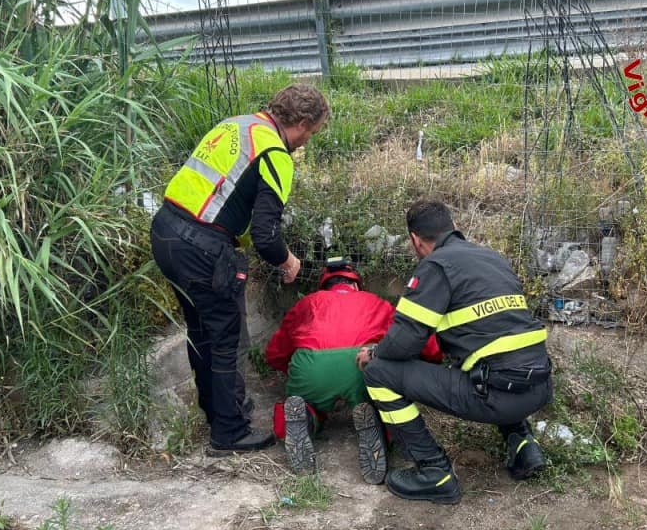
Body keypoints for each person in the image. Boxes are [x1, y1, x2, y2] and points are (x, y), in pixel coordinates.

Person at [151, 84, 329, 452]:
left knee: (201, 332)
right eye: (310, 133)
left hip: (166, 231)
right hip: (203, 247)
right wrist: (288, 260)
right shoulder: (276, 154)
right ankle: (229, 432)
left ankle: (219, 412)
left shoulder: (236, 126)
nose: (307, 142)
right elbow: (266, 235)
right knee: (227, 339)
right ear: (301, 122)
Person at [356, 199, 551, 504]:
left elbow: (403, 343)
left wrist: (375, 352)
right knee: (485, 355)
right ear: (455, 228)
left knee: (379, 372)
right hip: (538, 387)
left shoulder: (435, 266)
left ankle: (434, 472)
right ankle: (524, 444)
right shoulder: (493, 259)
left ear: (415, 241)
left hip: (498, 395)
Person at [264, 257, 442, 483]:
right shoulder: (375, 301)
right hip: (361, 367)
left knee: (305, 402)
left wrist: (290, 373)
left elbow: (275, 352)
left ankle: (306, 418)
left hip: (310, 368)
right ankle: (376, 421)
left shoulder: (308, 302)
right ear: (356, 284)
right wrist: (434, 359)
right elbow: (410, 337)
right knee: (382, 403)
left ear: (324, 285)